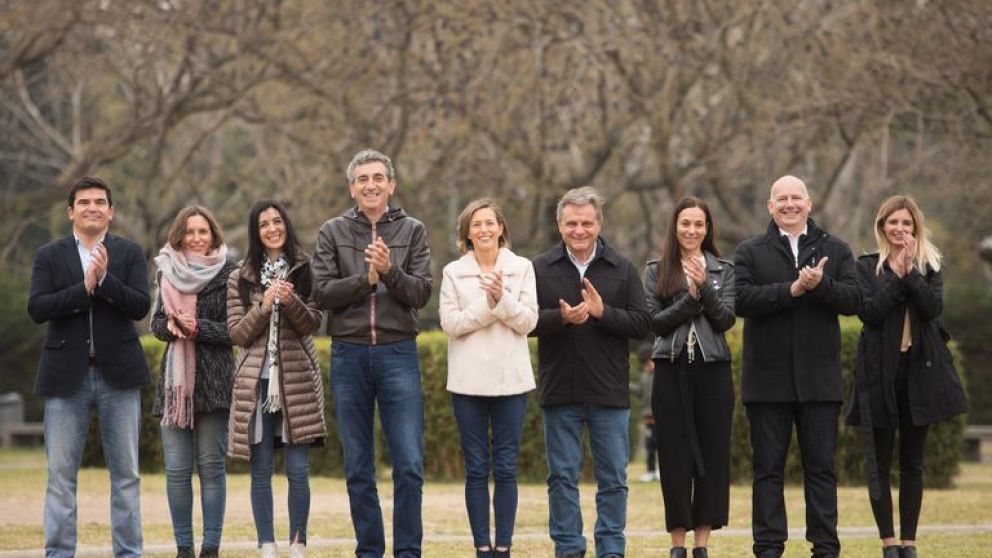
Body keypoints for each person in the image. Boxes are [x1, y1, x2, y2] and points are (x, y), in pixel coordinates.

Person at [312, 149, 433, 558]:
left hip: (399, 354)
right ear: (352, 188)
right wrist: (365, 280)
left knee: (409, 465)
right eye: (362, 179)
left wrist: (389, 272)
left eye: (378, 177)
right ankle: (369, 550)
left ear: (391, 185)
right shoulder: (332, 231)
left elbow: (421, 292)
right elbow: (321, 293)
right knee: (358, 467)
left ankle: (408, 552)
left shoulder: (413, 230)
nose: (371, 185)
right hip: (349, 354)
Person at [734, 175, 860, 558]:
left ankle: (825, 548)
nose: (789, 204)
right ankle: (768, 548)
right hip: (766, 382)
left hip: (819, 382)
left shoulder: (836, 249)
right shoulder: (749, 251)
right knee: (767, 471)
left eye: (796, 198)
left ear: (809, 203)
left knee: (820, 469)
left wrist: (821, 286)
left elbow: (855, 300)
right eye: (782, 199)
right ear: (770, 207)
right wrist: (791, 290)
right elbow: (740, 300)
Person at [28, 176, 150, 558]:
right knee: (60, 477)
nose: (92, 207)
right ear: (71, 211)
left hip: (119, 377)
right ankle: (59, 553)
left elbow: (140, 306)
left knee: (126, 475)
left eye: (100, 202)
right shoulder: (49, 255)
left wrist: (105, 281)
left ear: (111, 212)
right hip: (66, 378)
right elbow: (38, 308)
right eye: (84, 202)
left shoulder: (129, 253)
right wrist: (84, 288)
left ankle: (129, 553)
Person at [530, 186, 650, 558]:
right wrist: (561, 318)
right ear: (559, 225)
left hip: (609, 392)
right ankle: (569, 547)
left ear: (599, 224)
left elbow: (643, 323)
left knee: (613, 478)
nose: (579, 230)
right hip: (559, 389)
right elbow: (525, 321)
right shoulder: (539, 268)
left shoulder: (622, 268)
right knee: (561, 478)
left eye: (586, 223)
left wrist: (602, 313)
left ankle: (611, 548)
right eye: (571, 223)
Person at [846, 195, 967, 558]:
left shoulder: (929, 265)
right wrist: (896, 276)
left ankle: (909, 542)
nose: (900, 229)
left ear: (916, 227)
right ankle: (888, 543)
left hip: (920, 374)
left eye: (906, 223)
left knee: (912, 464)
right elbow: (869, 313)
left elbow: (931, 309)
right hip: (879, 375)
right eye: (893, 222)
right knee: (879, 463)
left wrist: (911, 271)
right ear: (882, 226)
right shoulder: (866, 267)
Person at [226, 200, 328, 558]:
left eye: (277, 221)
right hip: (257, 384)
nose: (272, 228)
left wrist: (292, 301)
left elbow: (313, 323)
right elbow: (237, 334)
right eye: (264, 224)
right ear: (256, 232)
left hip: (296, 381)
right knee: (262, 469)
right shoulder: (239, 277)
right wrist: (264, 306)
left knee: (298, 469)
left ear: (287, 224)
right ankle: (266, 544)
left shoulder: (307, 269)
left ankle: (298, 543)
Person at [439, 198, 538, 558]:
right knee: (477, 468)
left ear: (501, 228)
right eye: (476, 224)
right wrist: (491, 303)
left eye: (490, 223)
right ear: (467, 232)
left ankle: (504, 546)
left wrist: (501, 299)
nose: (484, 229)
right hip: (468, 384)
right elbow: (452, 324)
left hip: (512, 382)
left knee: (507, 467)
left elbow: (528, 321)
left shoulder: (522, 267)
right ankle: (483, 546)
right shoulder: (453, 272)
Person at [644, 197, 736, 558]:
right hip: (671, 369)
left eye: (699, 224)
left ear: (707, 228)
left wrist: (705, 290)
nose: (692, 230)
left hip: (713, 371)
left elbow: (726, 319)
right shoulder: (656, 270)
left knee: (713, 456)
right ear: (675, 226)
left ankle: (701, 544)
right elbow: (655, 322)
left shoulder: (724, 270)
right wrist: (691, 297)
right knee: (674, 457)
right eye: (686, 223)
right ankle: (678, 544)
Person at [150, 206, 236, 558]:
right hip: (176, 387)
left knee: (211, 468)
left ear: (213, 234)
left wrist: (197, 328)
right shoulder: (167, 269)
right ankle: (183, 548)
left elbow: (236, 330)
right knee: (176, 470)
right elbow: (156, 324)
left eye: (203, 231)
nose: (196, 238)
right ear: (179, 236)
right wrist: (171, 327)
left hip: (215, 382)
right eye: (190, 231)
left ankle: (210, 548)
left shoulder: (230, 272)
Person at [634, 346, 658, 483]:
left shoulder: (660, 375)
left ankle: (660, 470)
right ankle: (650, 470)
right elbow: (640, 393)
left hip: (661, 415)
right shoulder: (644, 376)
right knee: (650, 444)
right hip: (648, 416)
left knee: (662, 444)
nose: (647, 366)